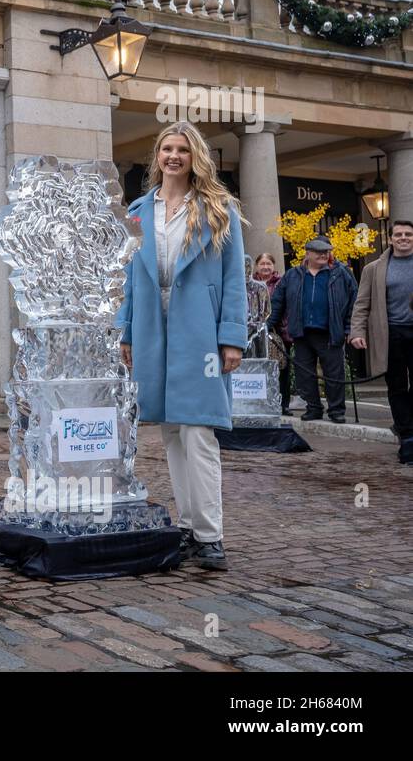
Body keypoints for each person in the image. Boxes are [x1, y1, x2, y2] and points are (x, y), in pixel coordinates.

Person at [117, 122, 247, 571]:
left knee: (198, 431)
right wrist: (127, 331)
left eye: (183, 150)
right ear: (157, 156)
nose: (174, 156)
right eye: (167, 149)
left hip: (200, 332)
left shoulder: (218, 208)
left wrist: (232, 336)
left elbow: (234, 278)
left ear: (196, 158)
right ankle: (189, 528)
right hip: (154, 328)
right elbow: (131, 280)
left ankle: (211, 536)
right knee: (172, 431)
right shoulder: (137, 211)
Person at [267, 237, 357, 424]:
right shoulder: (293, 275)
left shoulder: (341, 274)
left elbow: (353, 303)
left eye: (326, 252)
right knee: (304, 375)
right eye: (319, 252)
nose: (323, 255)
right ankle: (313, 408)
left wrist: (350, 329)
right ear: (307, 254)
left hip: (330, 333)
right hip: (301, 333)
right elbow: (277, 303)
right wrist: (267, 325)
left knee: (334, 374)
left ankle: (336, 410)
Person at [350, 219, 413, 463]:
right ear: (391, 238)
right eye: (399, 234)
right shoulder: (374, 269)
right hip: (390, 334)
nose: (404, 238)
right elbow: (362, 303)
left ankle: (407, 426)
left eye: (408, 234)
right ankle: (407, 437)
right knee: (396, 386)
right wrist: (357, 332)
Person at [252, 252, 291, 415]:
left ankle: (283, 404)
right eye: (262, 264)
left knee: (281, 370)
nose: (266, 267)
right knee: (258, 370)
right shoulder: (249, 283)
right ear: (257, 266)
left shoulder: (282, 283)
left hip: (279, 332)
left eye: (269, 264)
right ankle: (260, 403)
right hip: (254, 333)